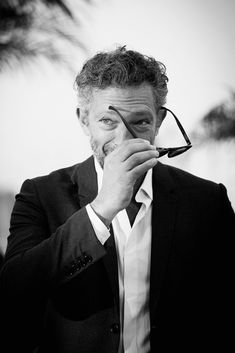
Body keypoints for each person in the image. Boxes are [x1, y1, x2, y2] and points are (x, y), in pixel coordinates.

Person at [0, 46, 234, 353]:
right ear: (84, 120)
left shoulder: (207, 201)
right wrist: (101, 210)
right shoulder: (40, 195)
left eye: (140, 122)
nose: (124, 140)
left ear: (160, 121)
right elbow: (13, 291)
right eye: (108, 122)